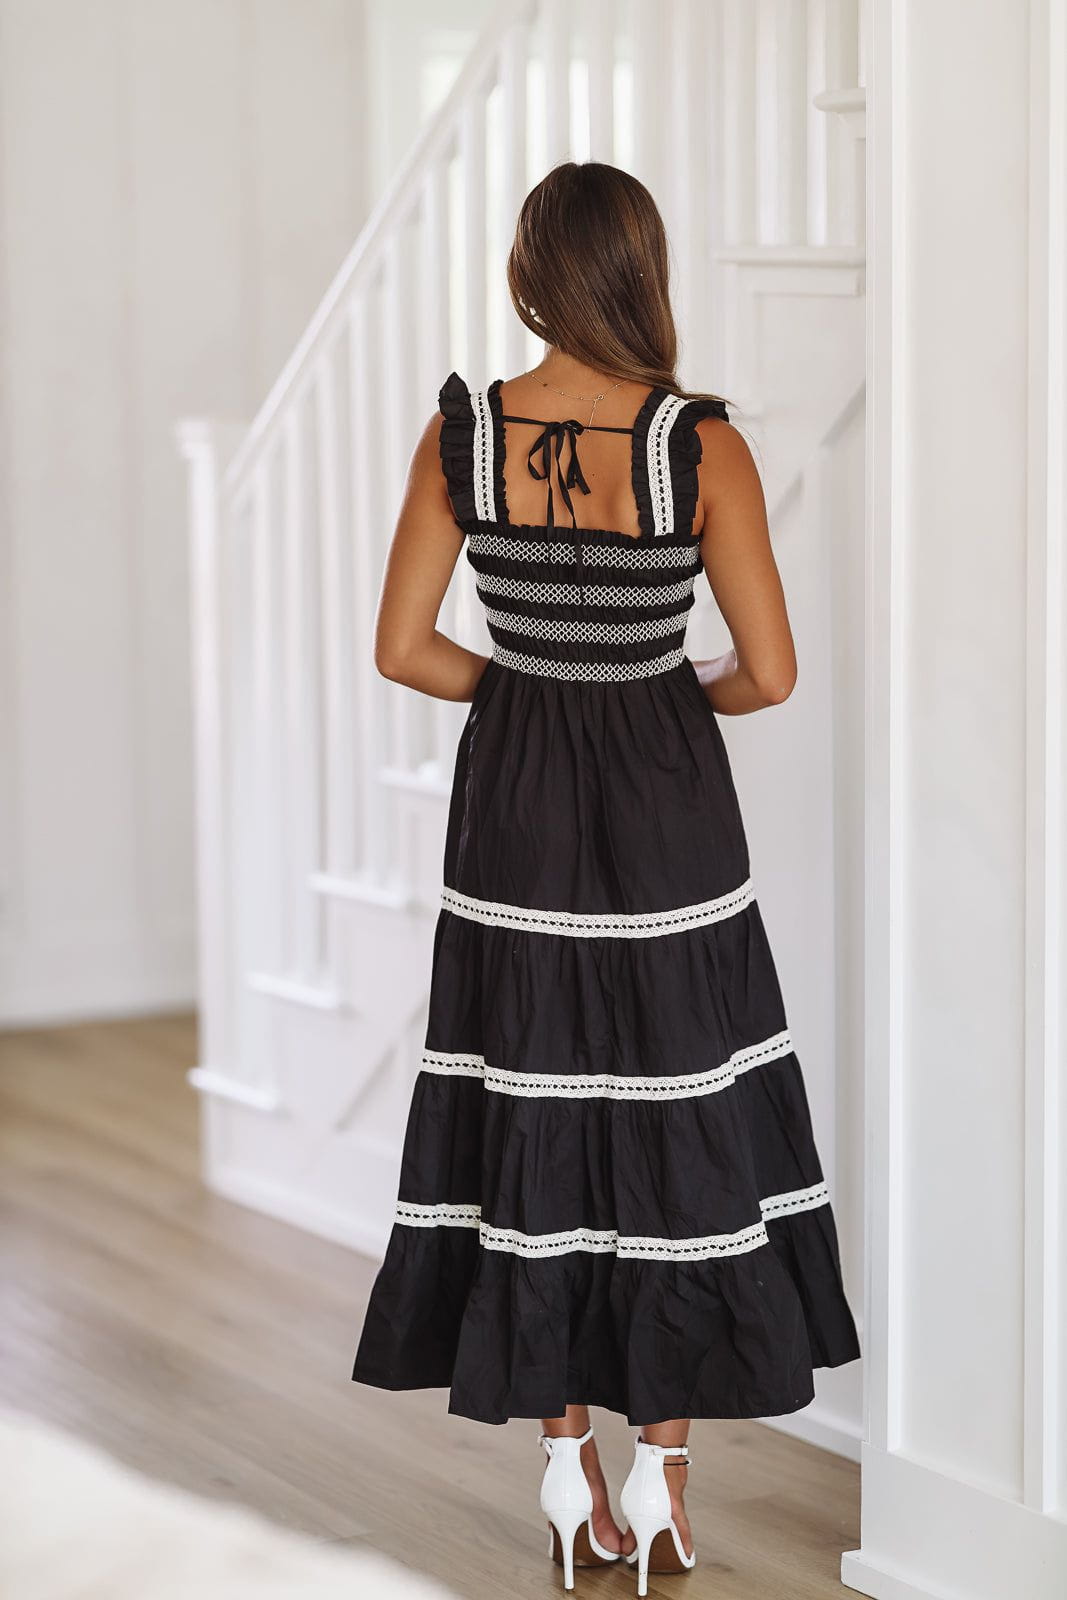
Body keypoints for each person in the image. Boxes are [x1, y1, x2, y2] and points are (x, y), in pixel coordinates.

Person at [352, 160, 861, 1595]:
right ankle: (666, 1475)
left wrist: (530, 697)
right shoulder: (701, 448)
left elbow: (403, 648)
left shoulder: (464, 436)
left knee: (535, 1087)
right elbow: (769, 674)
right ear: (643, 271)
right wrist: (653, 699)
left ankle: (565, 1461)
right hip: (666, 803)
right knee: (674, 1095)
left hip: (510, 802)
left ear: (529, 276)